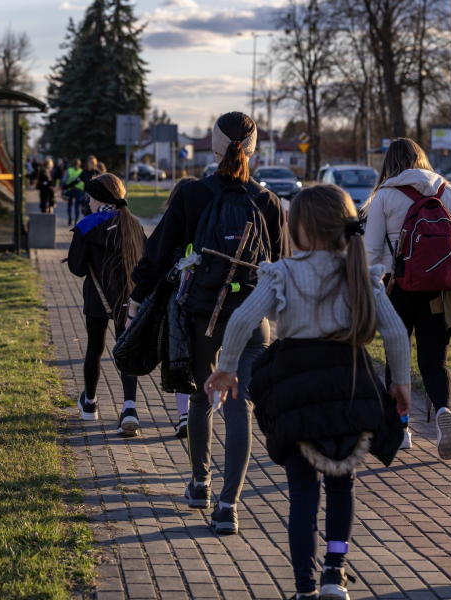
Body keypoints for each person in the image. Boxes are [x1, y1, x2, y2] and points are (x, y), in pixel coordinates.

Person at [205, 184, 411, 600]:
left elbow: (243, 319)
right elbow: (394, 332)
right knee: (342, 485)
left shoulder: (283, 273)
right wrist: (400, 381)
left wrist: (226, 368)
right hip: (349, 387)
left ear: (300, 228)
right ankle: (335, 570)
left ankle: (304, 587)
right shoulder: (359, 273)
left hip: (296, 389)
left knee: (302, 495)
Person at [128, 111, 288, 534]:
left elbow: (158, 252)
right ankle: (228, 507)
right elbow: (282, 265)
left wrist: (136, 299)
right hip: (253, 319)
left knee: (201, 398)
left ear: (214, 147)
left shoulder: (191, 194)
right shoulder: (268, 201)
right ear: (253, 150)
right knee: (240, 406)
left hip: (203, 316)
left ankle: (200, 485)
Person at [363, 137, 451, 458]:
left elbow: (371, 250)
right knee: (434, 361)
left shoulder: (385, 195)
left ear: (389, 164)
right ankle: (443, 413)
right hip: (437, 291)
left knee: (397, 358)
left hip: (397, 288)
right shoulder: (446, 191)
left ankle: (401, 430)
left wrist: (366, 284)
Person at [68, 173, 148, 436]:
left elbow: (77, 268)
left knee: (95, 347)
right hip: (128, 298)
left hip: (97, 297)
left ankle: (89, 403)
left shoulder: (87, 226)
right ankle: (129, 408)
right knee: (126, 349)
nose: (88, 202)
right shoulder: (134, 224)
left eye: (90, 197)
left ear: (100, 198)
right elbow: (146, 261)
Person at [161, 175, 198, 439]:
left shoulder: (172, 224)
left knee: (179, 357)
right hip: (204, 298)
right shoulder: (206, 221)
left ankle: (184, 415)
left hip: (176, 301)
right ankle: (198, 412)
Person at [63, 159, 85, 225]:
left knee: (72, 205)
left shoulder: (70, 170)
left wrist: (65, 187)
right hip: (76, 191)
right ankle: (74, 220)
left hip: (73, 190)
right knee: (75, 206)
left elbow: (64, 180)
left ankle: (72, 219)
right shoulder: (81, 171)